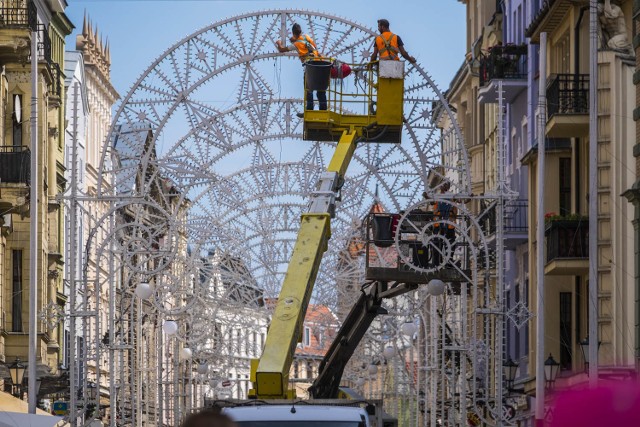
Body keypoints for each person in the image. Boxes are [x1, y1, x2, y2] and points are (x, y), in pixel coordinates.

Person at [276, 23, 327, 117]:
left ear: (293, 33)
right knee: (321, 88)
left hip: (310, 66)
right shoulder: (306, 37)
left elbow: (282, 50)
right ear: (301, 32)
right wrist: (295, 39)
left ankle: (309, 110)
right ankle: (323, 111)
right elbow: (311, 46)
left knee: (309, 88)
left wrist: (279, 43)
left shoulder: (296, 44)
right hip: (320, 63)